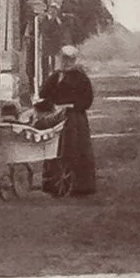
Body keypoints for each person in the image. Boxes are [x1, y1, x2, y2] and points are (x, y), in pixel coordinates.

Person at [41, 44, 98, 197]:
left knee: (75, 149)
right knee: (54, 148)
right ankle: (54, 184)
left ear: (74, 60)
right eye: (64, 59)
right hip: (57, 116)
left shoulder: (81, 78)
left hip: (75, 118)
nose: (66, 62)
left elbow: (87, 100)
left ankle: (80, 185)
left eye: (69, 59)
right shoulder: (57, 76)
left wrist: (72, 105)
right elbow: (43, 93)